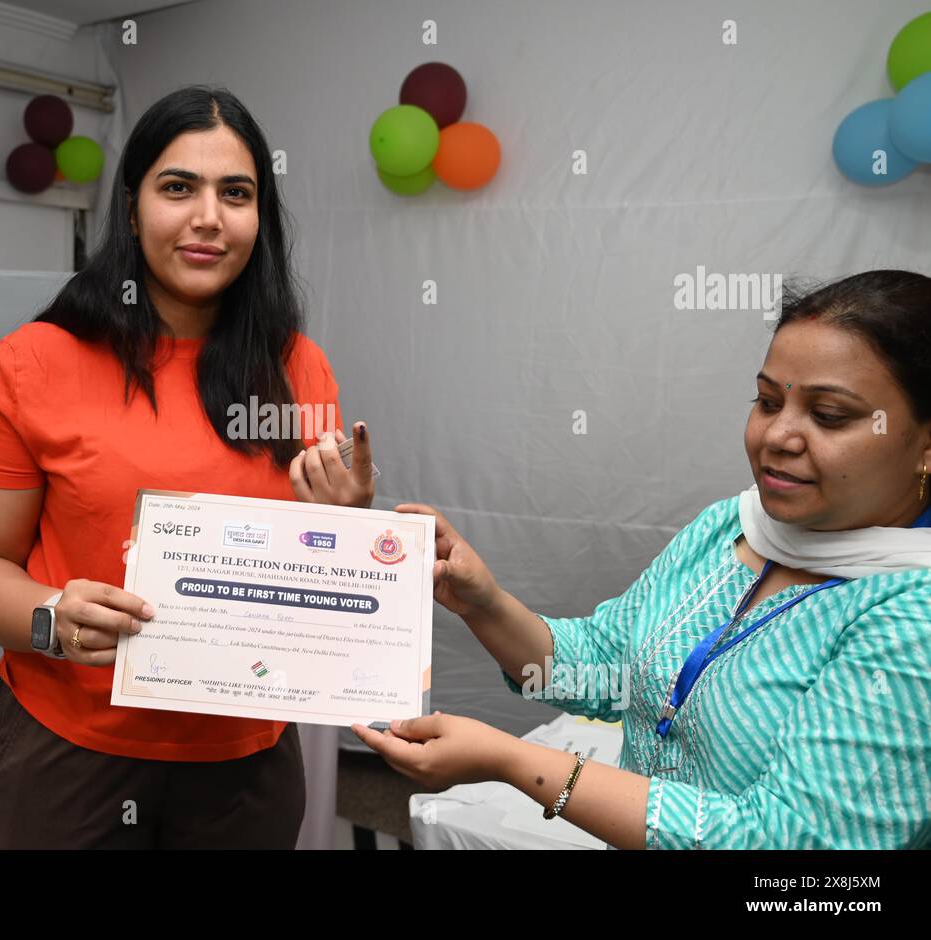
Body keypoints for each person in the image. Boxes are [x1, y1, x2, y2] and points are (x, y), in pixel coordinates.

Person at [353, 270, 931, 849]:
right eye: (768, 400)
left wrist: (514, 763)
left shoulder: (911, 616)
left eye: (829, 415)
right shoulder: (732, 526)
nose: (778, 434)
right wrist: (483, 603)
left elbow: (786, 847)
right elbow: (609, 668)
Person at [0, 85, 376, 849]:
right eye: (179, 187)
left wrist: (347, 531)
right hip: (68, 753)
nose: (209, 217)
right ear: (133, 204)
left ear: (260, 219)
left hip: (245, 763)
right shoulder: (37, 361)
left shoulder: (299, 369)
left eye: (235, 194)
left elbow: (307, 580)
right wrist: (50, 620)